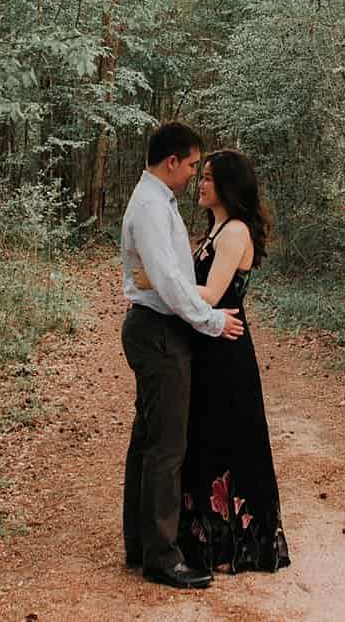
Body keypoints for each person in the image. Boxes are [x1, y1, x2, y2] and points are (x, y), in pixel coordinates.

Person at [121, 122, 243, 591]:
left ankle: (142, 544)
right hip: (158, 332)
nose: (195, 173)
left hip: (157, 327)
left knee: (149, 440)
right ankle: (162, 558)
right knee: (166, 447)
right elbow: (170, 283)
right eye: (192, 164)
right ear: (171, 161)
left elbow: (170, 277)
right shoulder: (151, 207)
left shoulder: (158, 202)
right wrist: (210, 321)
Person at [177, 149, 291, 574]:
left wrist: (161, 284)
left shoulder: (235, 231)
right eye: (201, 175)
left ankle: (237, 545)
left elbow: (210, 294)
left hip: (227, 348)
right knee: (205, 436)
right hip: (209, 343)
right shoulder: (216, 229)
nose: (201, 184)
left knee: (229, 438)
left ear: (227, 185)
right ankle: (209, 540)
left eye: (208, 177)